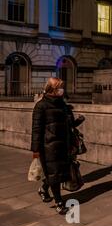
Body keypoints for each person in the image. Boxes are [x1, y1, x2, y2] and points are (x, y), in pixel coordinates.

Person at [31, 77, 84, 215]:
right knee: (54, 174)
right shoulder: (41, 106)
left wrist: (78, 121)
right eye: (60, 87)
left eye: (62, 87)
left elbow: (69, 125)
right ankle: (59, 203)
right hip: (48, 147)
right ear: (52, 89)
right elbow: (36, 129)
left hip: (63, 145)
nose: (62, 90)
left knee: (58, 173)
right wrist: (35, 150)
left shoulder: (63, 105)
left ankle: (43, 189)